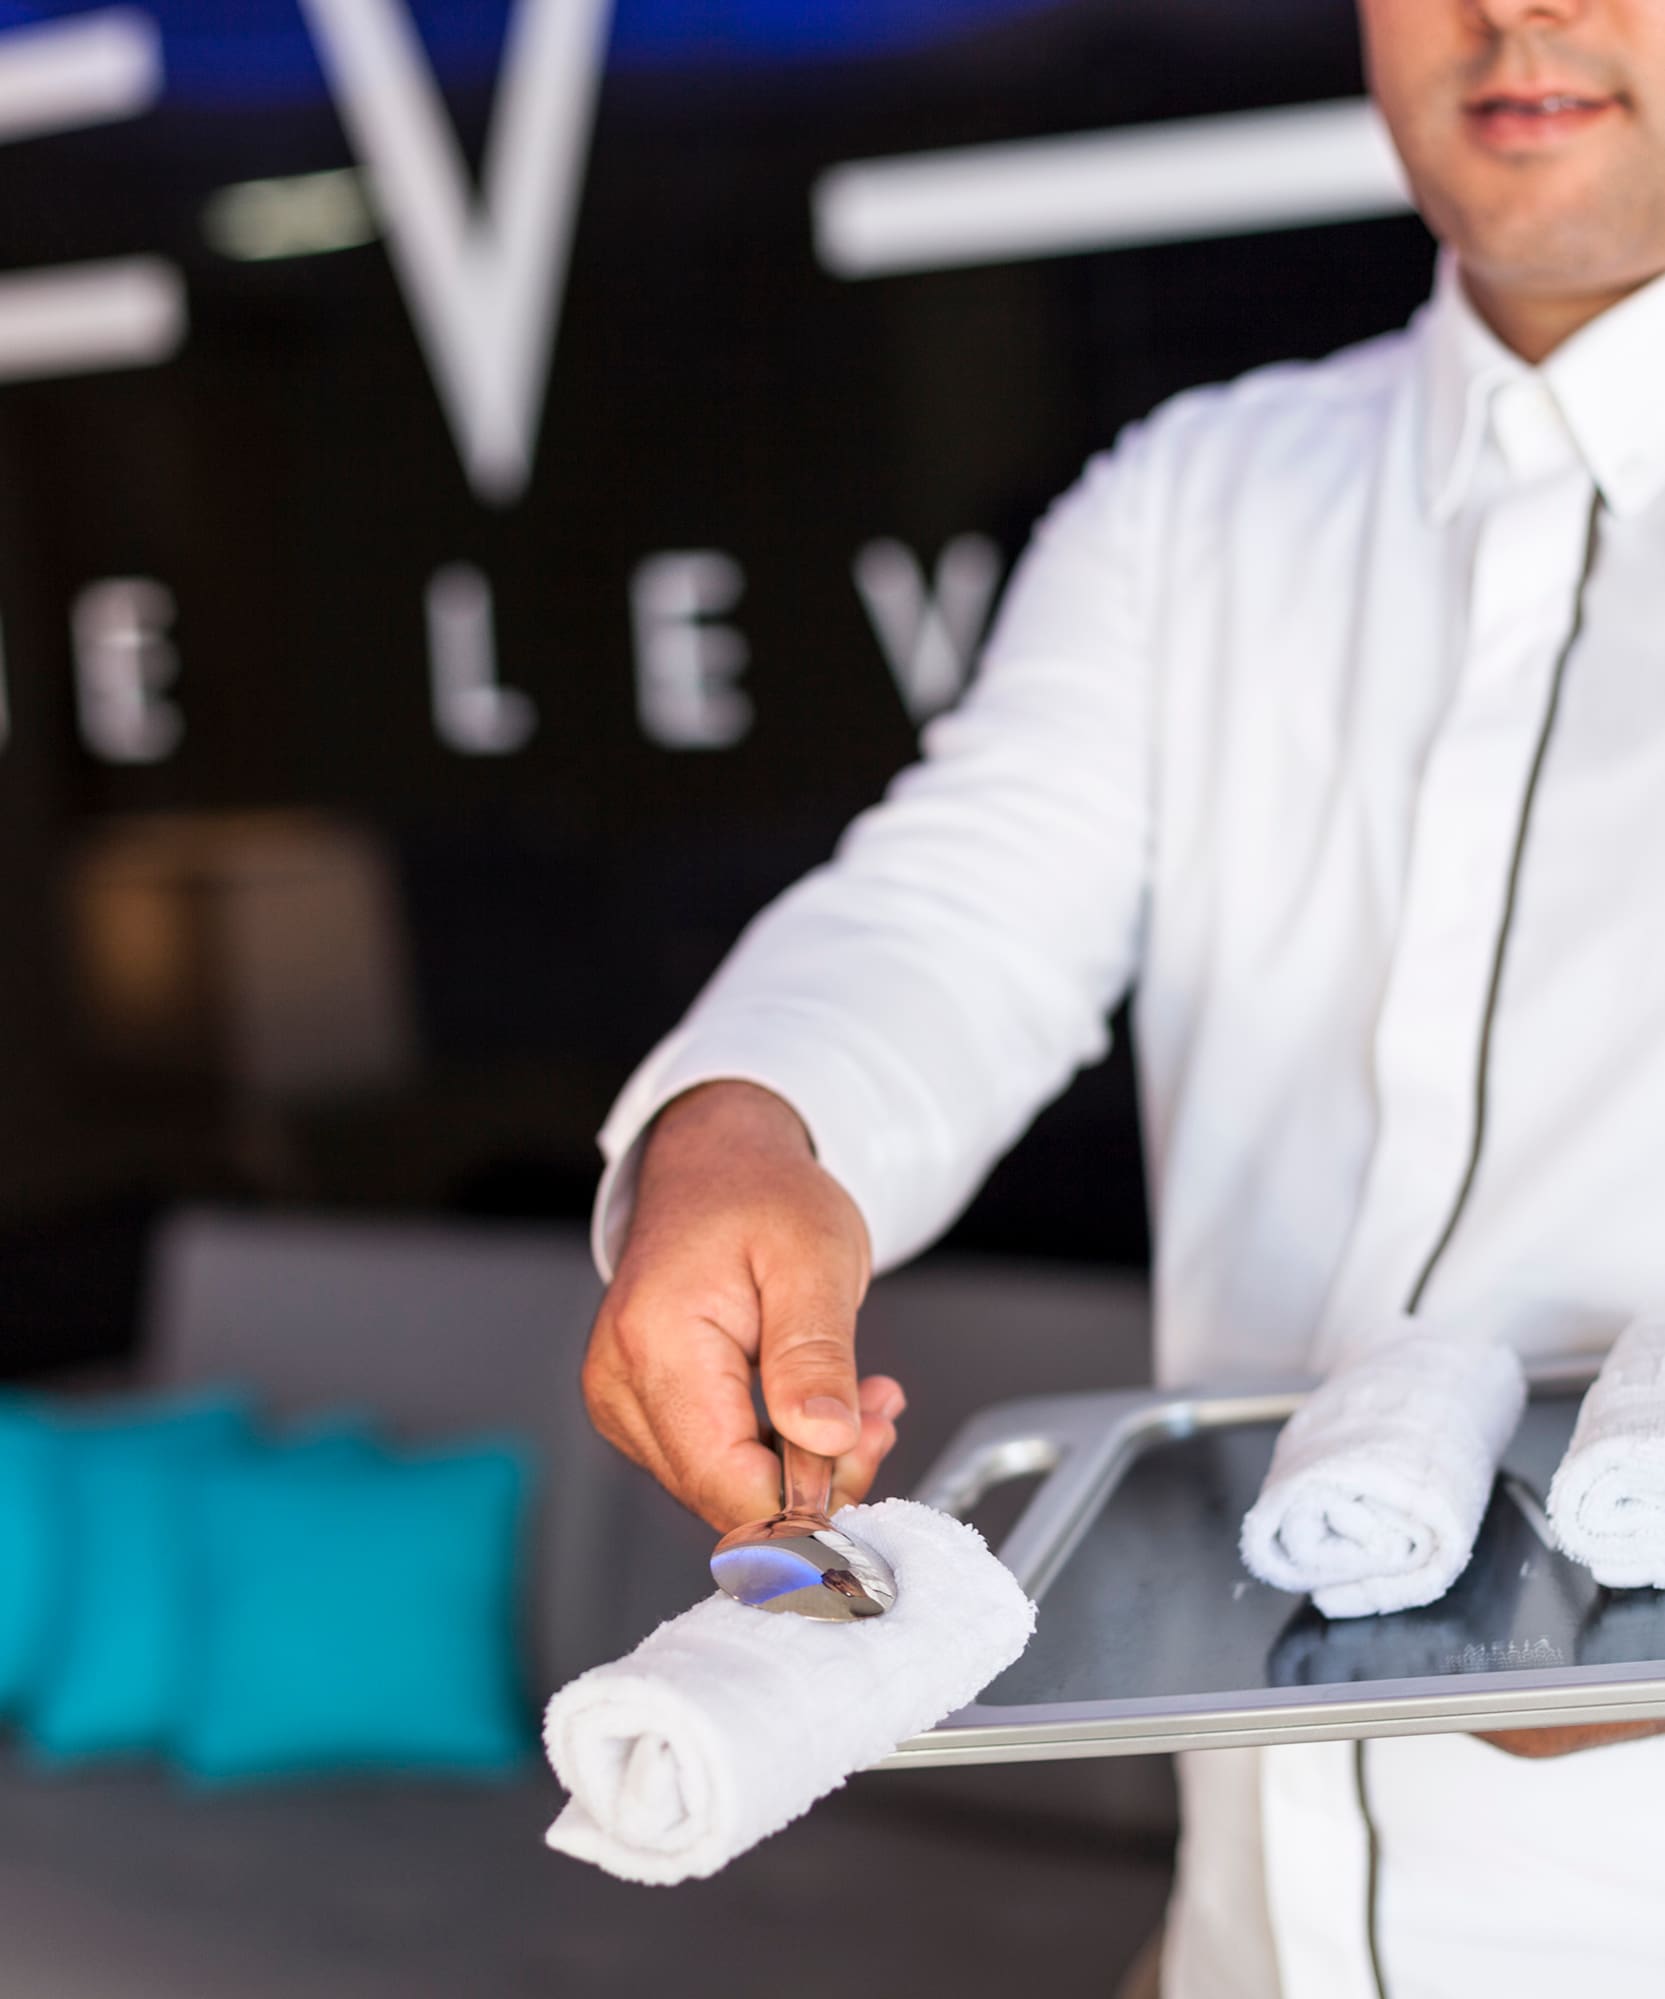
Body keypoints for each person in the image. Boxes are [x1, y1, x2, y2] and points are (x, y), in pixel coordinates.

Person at [581, 0, 1665, 1991]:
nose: (1522, 11)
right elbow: (956, 910)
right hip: (1237, 1938)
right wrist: (739, 1131)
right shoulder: (1194, 497)